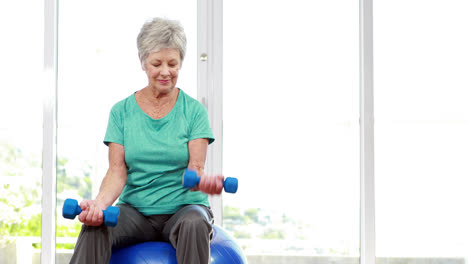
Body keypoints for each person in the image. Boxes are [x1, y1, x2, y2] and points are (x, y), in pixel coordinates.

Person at [70, 17, 224, 264]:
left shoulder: (194, 111)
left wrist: (204, 182)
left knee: (195, 222)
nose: (165, 71)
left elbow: (195, 171)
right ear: (142, 62)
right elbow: (117, 171)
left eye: (173, 63)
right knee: (95, 226)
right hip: (136, 212)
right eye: (157, 63)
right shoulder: (121, 112)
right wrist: (98, 205)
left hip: (184, 209)